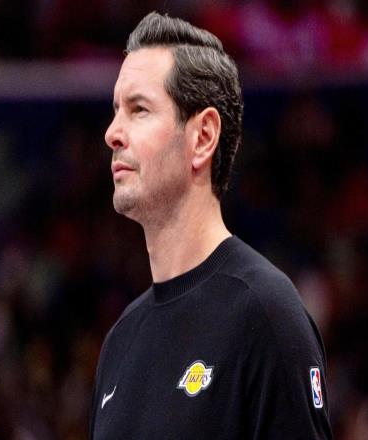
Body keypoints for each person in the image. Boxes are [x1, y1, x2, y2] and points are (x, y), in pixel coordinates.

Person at [89, 11, 332, 439]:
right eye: (115, 110)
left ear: (202, 137)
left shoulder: (265, 314)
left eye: (138, 109)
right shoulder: (119, 341)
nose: (113, 133)